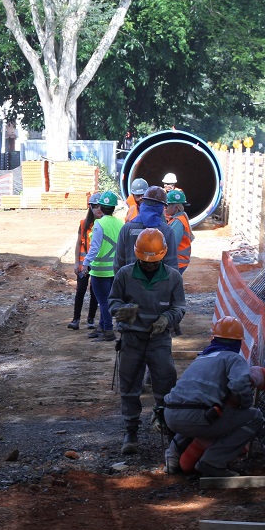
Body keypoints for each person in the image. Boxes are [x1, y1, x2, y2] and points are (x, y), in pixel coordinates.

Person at [109, 228, 186, 454]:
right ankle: (131, 431)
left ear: (163, 255)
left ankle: (168, 425)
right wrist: (120, 311)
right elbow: (112, 300)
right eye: (145, 262)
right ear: (137, 255)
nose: (150, 265)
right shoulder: (125, 274)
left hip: (158, 339)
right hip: (131, 338)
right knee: (130, 385)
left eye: (154, 262)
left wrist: (167, 318)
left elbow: (179, 307)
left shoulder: (172, 277)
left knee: (165, 381)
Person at [163, 316, 264, 477]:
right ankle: (213, 462)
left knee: (197, 408)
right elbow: (239, 385)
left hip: (170, 415)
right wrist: (245, 405)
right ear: (238, 342)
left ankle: (172, 458)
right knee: (255, 417)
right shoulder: (233, 358)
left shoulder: (203, 356)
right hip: (195, 417)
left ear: (215, 338)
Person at [82, 191, 124, 341]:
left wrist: (85, 263)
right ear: (114, 207)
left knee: (103, 301)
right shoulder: (120, 223)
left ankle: (108, 330)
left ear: (100, 206)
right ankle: (102, 327)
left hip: (100, 270)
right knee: (108, 300)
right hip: (115, 269)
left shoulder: (99, 224)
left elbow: (95, 248)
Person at [114, 186, 178, 272]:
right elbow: (172, 264)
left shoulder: (127, 228)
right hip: (158, 284)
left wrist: (122, 282)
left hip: (131, 282)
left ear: (144, 203)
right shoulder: (167, 231)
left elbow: (118, 263)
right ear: (161, 207)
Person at [68, 196, 102, 330]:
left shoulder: (104, 224)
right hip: (84, 264)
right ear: (90, 207)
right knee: (80, 290)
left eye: (100, 206)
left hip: (98, 264)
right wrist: (76, 263)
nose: (98, 209)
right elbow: (78, 244)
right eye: (95, 206)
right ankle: (76, 319)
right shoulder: (84, 224)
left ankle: (91, 319)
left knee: (95, 291)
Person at [165, 189, 193, 274]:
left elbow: (172, 244)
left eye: (168, 205)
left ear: (176, 208)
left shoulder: (178, 222)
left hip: (177, 262)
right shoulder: (179, 218)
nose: (165, 208)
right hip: (179, 261)